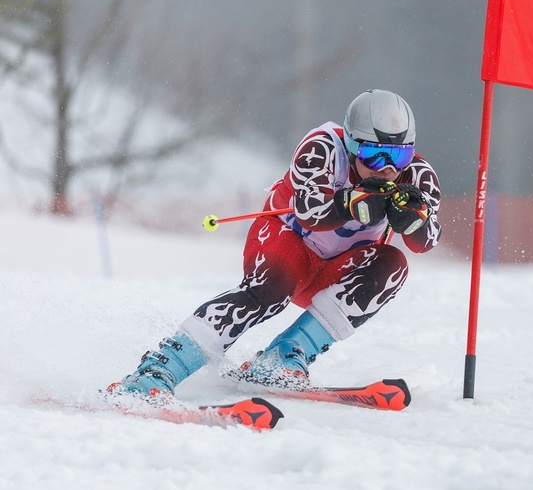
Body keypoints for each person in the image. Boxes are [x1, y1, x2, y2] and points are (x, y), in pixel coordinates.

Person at [108, 89, 442, 397]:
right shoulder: (322, 146)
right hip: (288, 240)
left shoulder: (418, 176)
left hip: (335, 269)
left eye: (398, 157)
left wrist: (416, 221)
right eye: (373, 154)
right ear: (353, 144)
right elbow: (310, 212)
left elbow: (426, 241)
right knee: (271, 289)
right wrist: (349, 203)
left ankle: (282, 358)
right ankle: (157, 369)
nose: (386, 170)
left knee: (393, 265)